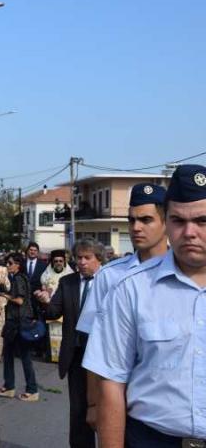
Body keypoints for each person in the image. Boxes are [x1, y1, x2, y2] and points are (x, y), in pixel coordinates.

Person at [84, 164, 206, 447]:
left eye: (202, 221)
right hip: (151, 438)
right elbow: (111, 382)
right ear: (168, 223)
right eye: (178, 220)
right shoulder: (131, 289)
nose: (189, 232)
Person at [77, 183, 168, 429]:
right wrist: (94, 404)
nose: (136, 228)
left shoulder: (185, 273)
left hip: (165, 401)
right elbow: (95, 344)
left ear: (166, 222)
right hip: (117, 393)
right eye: (132, 220)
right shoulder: (110, 276)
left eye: (146, 220)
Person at [35, 238, 105, 448]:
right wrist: (46, 302)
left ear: (99, 259)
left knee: (107, 411)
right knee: (78, 411)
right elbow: (55, 311)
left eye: (87, 258)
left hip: (104, 358)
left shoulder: (111, 281)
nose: (81, 262)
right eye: (78, 258)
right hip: (76, 356)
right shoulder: (68, 282)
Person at [0, 252, 39, 402]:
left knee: (24, 357)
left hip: (18, 322)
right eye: (6, 263)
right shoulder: (20, 278)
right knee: (8, 355)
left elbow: (19, 300)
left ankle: (31, 390)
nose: (7, 266)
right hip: (17, 321)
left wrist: (3, 294)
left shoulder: (19, 278)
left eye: (10, 263)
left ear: (18, 265)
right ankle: (9, 387)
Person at [40, 249, 75, 363]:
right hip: (51, 309)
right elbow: (43, 289)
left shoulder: (70, 275)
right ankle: (52, 356)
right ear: (52, 262)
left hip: (66, 310)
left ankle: (64, 356)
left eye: (61, 261)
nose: (58, 263)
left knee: (65, 334)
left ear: (64, 262)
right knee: (51, 333)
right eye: (56, 261)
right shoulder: (46, 275)